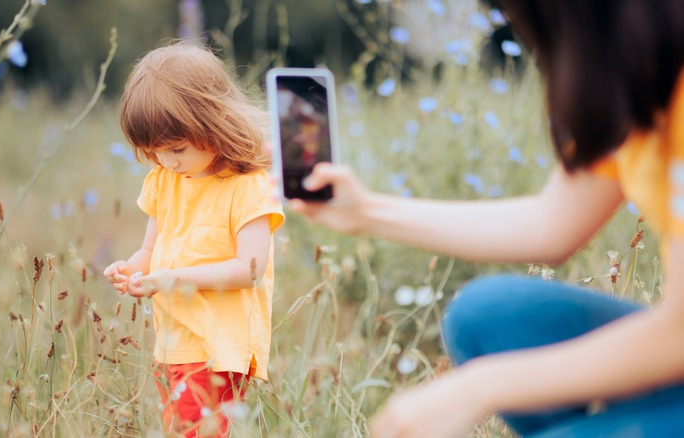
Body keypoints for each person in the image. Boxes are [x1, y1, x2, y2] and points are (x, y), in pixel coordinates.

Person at [290, 0, 684, 436]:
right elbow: (552, 224)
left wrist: (481, 387)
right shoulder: (635, 84)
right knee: (489, 313)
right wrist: (366, 210)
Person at [103, 41, 284, 437]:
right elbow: (152, 249)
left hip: (219, 347)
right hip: (173, 339)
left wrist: (170, 279)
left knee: (194, 430)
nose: (167, 161)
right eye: (153, 152)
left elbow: (249, 269)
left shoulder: (247, 186)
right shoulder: (164, 181)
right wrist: (134, 269)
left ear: (212, 122)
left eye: (176, 149)